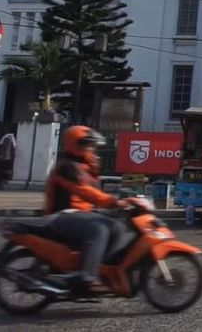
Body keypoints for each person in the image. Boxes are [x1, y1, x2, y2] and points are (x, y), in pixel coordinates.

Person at [43, 125, 126, 296]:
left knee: (117, 227)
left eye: (92, 145)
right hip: (63, 215)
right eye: (87, 145)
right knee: (99, 228)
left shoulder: (82, 167)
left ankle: (100, 268)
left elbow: (92, 189)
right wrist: (113, 202)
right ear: (74, 145)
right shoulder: (66, 167)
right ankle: (86, 276)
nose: (91, 149)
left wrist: (94, 169)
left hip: (79, 215)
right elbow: (85, 192)